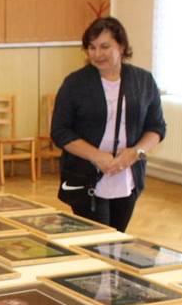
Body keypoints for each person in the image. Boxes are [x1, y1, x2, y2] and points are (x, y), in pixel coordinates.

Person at [51, 16, 167, 232]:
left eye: (105, 46)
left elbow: (157, 127)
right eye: (92, 47)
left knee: (118, 238)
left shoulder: (143, 81)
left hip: (127, 176)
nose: (97, 54)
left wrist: (136, 152)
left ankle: (114, 267)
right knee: (96, 241)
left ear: (121, 46)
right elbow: (59, 130)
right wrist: (96, 155)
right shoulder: (75, 83)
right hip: (86, 175)